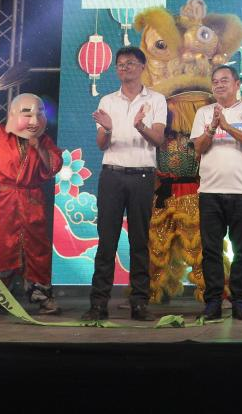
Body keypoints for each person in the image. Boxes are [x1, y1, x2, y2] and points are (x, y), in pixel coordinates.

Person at [83, 46, 168, 322]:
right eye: (120, 64)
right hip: (112, 175)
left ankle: (139, 303)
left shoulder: (156, 99)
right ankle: (98, 304)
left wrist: (140, 125)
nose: (124, 67)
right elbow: (101, 144)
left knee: (139, 241)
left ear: (142, 66)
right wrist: (107, 129)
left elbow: (158, 140)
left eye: (130, 63)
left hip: (143, 175)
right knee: (106, 241)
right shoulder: (107, 100)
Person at [0, 91, 63, 316]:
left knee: (36, 249)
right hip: (2, 201)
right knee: (0, 247)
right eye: (27, 114)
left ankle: (42, 296)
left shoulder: (45, 141)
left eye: (39, 114)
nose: (34, 119)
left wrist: (38, 147)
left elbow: (52, 167)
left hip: (31, 201)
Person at [191, 64, 242, 320]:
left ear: (237, 84)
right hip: (210, 191)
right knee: (211, 250)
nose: (219, 85)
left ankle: (240, 303)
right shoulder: (203, 113)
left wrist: (228, 126)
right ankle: (213, 302)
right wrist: (213, 127)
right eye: (215, 81)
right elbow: (198, 149)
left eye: (224, 80)